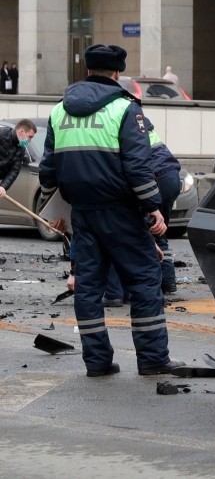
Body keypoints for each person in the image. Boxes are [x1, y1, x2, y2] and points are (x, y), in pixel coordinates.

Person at [39, 43, 184, 378]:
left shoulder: (59, 111)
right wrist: (153, 209)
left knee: (88, 288)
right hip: (120, 212)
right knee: (145, 279)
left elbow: (48, 171)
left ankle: (98, 362)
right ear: (117, 72)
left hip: (83, 214)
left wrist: (52, 208)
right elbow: (137, 168)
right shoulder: (125, 109)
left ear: (87, 69)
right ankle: (152, 359)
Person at [104, 118, 181, 306]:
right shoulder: (142, 125)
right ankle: (167, 282)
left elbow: (134, 167)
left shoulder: (119, 126)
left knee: (132, 233)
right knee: (158, 231)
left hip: (152, 178)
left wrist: (150, 205)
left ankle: (123, 292)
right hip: (172, 176)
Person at [0, 119, 37, 200]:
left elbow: (14, 170)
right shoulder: (1, 134)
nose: (30, 140)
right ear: (22, 131)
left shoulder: (21, 148)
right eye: (30, 137)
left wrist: (3, 186)